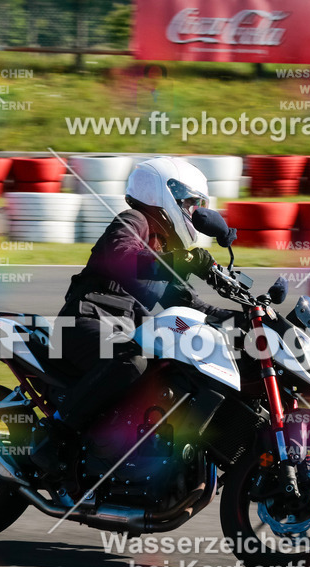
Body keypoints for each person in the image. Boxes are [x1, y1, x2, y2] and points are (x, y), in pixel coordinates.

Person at [51, 157, 234, 437]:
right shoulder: (134, 220)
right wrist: (183, 259)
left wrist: (242, 318)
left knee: (176, 367)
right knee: (130, 362)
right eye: (188, 204)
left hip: (123, 330)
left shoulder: (164, 247)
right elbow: (122, 255)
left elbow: (189, 304)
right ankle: (55, 435)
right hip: (84, 321)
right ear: (164, 195)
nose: (191, 211)